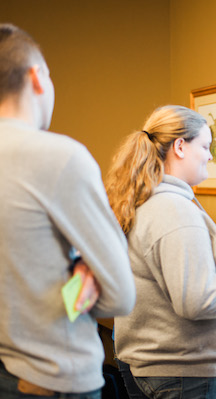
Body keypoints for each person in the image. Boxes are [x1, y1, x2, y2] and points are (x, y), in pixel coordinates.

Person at [0, 24, 136, 398]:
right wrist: (82, 272)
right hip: (47, 378)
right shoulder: (58, 156)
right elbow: (120, 294)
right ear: (37, 77)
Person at [105, 105, 216, 399]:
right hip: (186, 371)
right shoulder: (175, 212)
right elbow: (197, 301)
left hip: (150, 364)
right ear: (180, 146)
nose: (209, 155)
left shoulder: (141, 200)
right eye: (205, 146)